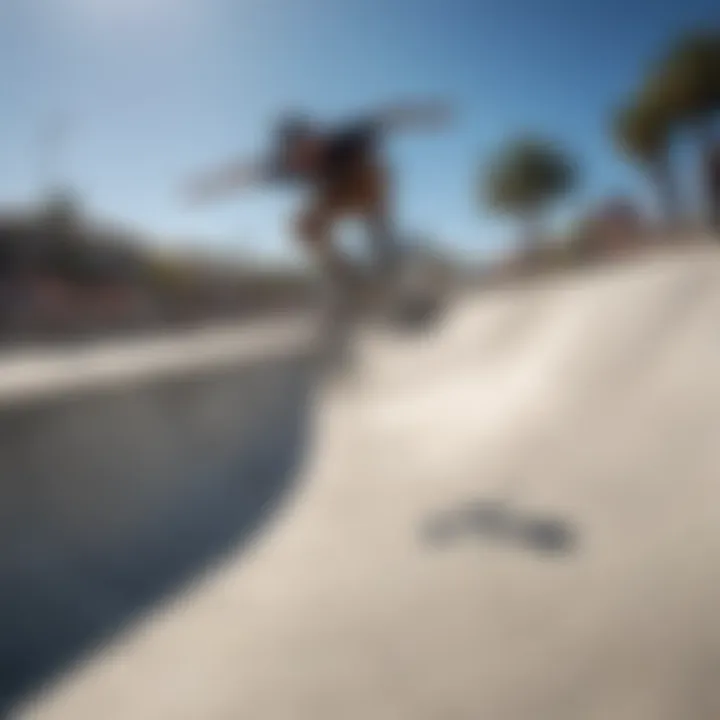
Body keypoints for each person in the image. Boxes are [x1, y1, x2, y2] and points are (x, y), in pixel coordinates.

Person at [184, 101, 451, 314]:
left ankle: (391, 257)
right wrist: (207, 186)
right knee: (303, 225)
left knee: (373, 193)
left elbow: (386, 117)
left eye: (309, 147)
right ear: (289, 153)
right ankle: (349, 280)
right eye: (299, 155)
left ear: (316, 137)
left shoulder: (347, 139)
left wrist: (428, 114)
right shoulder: (285, 165)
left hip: (367, 182)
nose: (307, 159)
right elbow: (247, 172)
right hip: (335, 195)